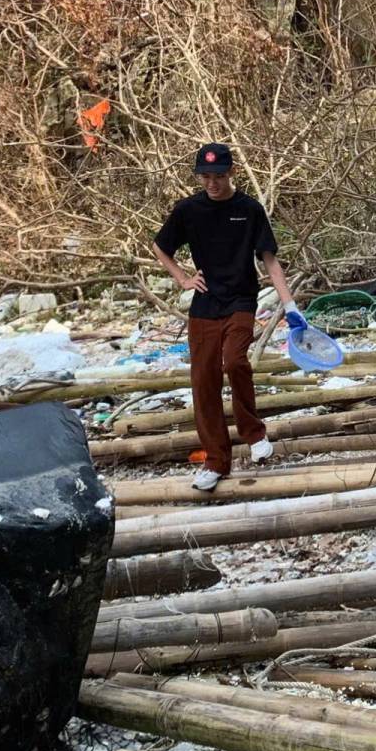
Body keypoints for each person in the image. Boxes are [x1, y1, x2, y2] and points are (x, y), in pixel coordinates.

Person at [151, 143, 306, 491]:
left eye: (218, 176)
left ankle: (254, 434)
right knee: (203, 381)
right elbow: (161, 246)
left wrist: (290, 305)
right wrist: (183, 278)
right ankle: (216, 461)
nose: (212, 183)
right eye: (205, 177)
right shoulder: (188, 209)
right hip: (205, 304)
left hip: (241, 300)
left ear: (231, 173)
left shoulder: (248, 209)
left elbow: (270, 259)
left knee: (235, 362)